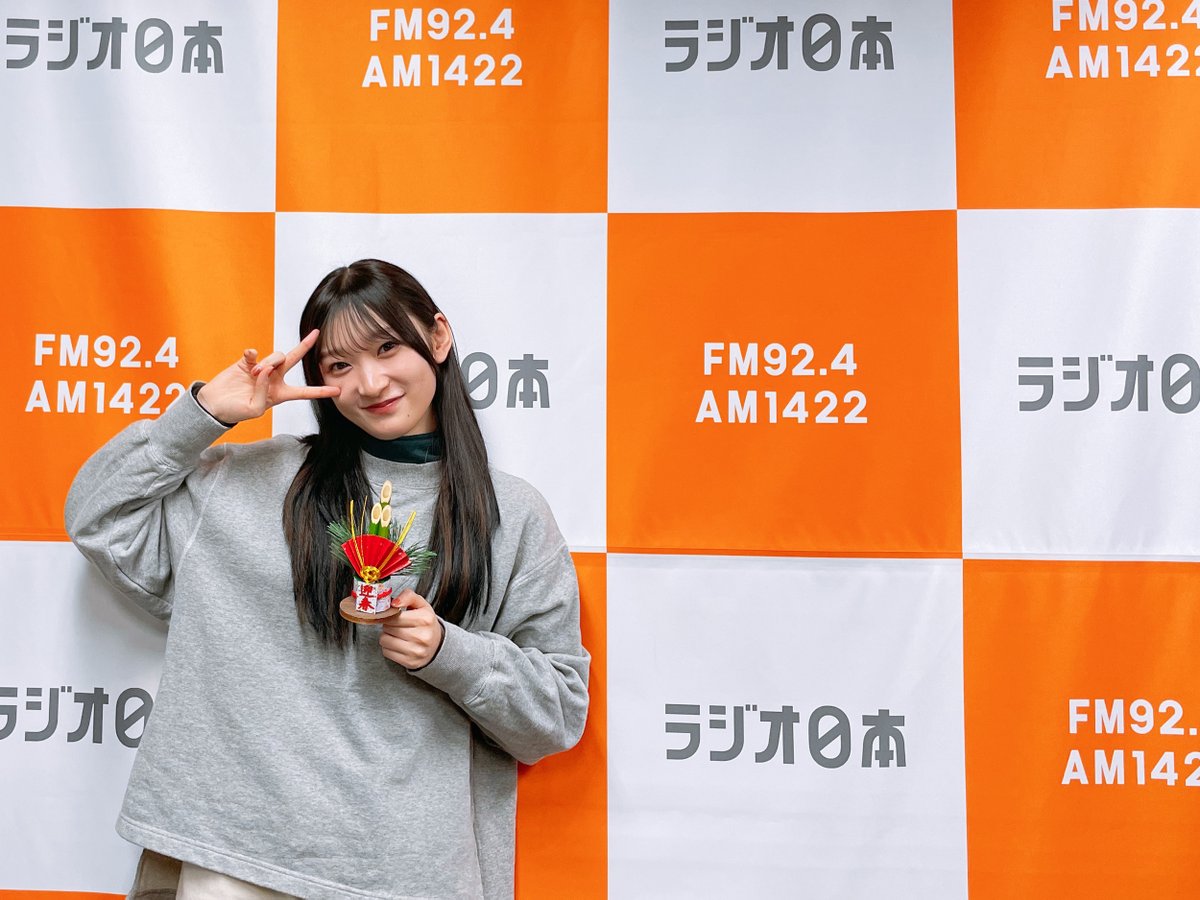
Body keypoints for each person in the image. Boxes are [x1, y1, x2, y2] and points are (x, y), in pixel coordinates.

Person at [65, 259, 590, 899]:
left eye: (387, 347)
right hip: (234, 855)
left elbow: (557, 714)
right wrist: (200, 415)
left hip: (405, 871)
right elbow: (98, 517)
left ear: (438, 337)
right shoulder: (246, 481)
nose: (370, 382)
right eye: (340, 364)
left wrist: (450, 653)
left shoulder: (513, 513)